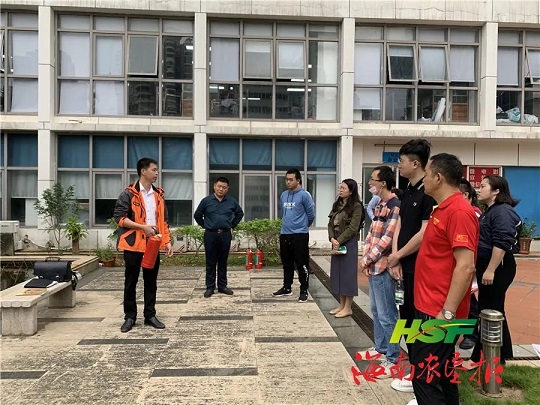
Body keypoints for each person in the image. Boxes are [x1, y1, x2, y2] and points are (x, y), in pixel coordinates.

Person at [408, 153, 479, 405]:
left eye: (427, 174)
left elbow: (466, 266)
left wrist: (448, 314)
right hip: (428, 306)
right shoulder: (442, 208)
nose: (424, 179)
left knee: (423, 377)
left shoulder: (459, 212)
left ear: (438, 178)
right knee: (443, 372)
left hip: (439, 312)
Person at [387, 139, 436, 393]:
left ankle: (422, 380)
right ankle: (416, 374)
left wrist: (399, 256)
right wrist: (395, 256)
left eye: (402, 161)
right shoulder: (407, 189)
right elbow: (400, 225)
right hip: (402, 268)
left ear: (415, 163)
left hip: (419, 269)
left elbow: (424, 233)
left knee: (420, 326)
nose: (399, 165)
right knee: (406, 322)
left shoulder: (428, 192)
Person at [114, 158, 173, 333]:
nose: (156, 173)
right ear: (143, 171)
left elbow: (164, 222)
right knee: (131, 281)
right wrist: (142, 227)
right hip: (133, 244)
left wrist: (167, 241)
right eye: (154, 170)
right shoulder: (128, 194)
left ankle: (150, 315)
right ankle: (130, 317)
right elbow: (120, 219)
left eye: (157, 170)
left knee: (151, 281)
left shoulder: (158, 195)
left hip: (153, 243)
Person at [468, 175, 521, 366]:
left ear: (496, 191)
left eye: (483, 186)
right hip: (489, 266)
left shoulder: (503, 212)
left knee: (490, 311)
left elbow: (502, 242)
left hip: (498, 267)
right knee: (493, 310)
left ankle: (482, 358)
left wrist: (491, 269)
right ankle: (500, 355)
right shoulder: (491, 211)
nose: (478, 189)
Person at [359, 166, 401, 377]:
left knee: (388, 315)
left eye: (372, 179)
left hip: (384, 267)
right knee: (376, 311)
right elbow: (371, 234)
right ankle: (381, 348)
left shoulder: (394, 206)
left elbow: (387, 239)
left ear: (383, 183)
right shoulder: (379, 205)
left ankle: (393, 359)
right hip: (373, 266)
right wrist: (365, 257)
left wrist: (367, 259)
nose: (369, 183)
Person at [194, 177, 244, 298]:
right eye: (219, 186)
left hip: (225, 234)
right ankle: (210, 287)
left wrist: (232, 225)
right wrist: (206, 225)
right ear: (214, 186)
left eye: (224, 187)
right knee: (210, 261)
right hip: (210, 234)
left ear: (227, 189)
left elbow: (239, 213)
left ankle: (222, 286)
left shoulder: (231, 201)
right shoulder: (206, 201)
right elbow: (197, 215)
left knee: (223, 261)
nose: (221, 189)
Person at [272, 168, 315, 303]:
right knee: (287, 263)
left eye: (291, 179)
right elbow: (283, 212)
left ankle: (304, 290)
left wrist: (302, 226)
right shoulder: (284, 195)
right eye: (286, 179)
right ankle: (287, 287)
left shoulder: (305, 195)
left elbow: (311, 215)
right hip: (285, 233)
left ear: (298, 180)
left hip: (300, 234)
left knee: (301, 264)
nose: (288, 182)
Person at [327, 179, 365, 318]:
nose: (340, 190)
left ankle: (348, 307)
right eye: (340, 187)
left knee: (348, 275)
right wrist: (332, 238)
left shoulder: (356, 206)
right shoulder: (337, 204)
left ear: (351, 191)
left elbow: (353, 228)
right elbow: (330, 223)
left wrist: (339, 240)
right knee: (338, 273)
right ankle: (341, 305)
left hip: (348, 241)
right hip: (336, 240)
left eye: (343, 188)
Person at [458, 178, 482, 350]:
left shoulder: (473, 214)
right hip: (461, 264)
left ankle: (471, 335)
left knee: (469, 301)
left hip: (470, 264)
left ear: (465, 195)